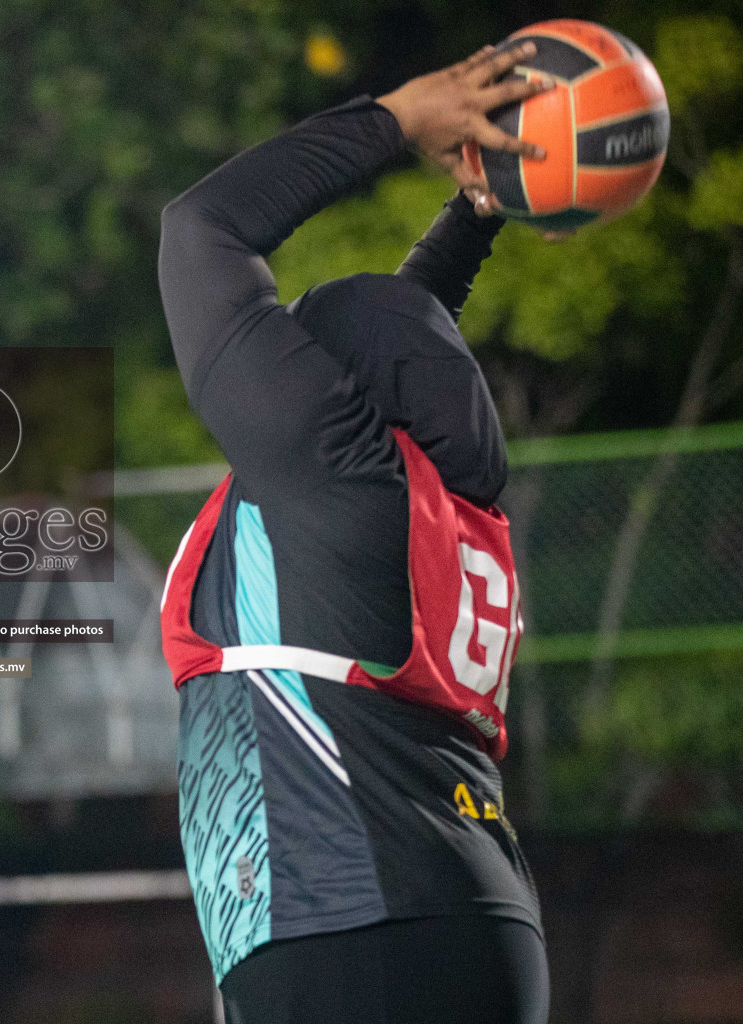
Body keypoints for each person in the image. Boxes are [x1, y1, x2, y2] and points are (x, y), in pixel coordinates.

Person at [156, 44, 556, 1024]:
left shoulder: (333, 470)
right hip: (460, 913)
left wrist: (397, 119)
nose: (277, 336)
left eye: (301, 332)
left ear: (332, 390)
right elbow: (403, 331)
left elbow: (198, 228)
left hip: (349, 915)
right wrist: (475, 212)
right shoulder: (420, 492)